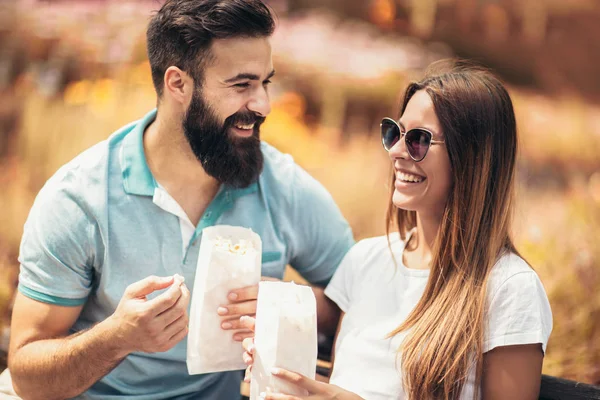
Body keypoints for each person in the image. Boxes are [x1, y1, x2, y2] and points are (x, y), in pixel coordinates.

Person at [6, 1, 354, 399]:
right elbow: (27, 376)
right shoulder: (79, 200)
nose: (263, 105)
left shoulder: (282, 186)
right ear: (178, 84)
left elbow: (364, 301)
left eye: (265, 83)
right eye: (242, 85)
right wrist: (115, 339)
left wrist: (290, 303)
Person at [241, 59, 553, 400]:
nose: (396, 151)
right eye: (394, 132)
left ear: (473, 157)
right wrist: (276, 348)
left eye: (419, 140)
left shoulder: (509, 288)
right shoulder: (366, 259)